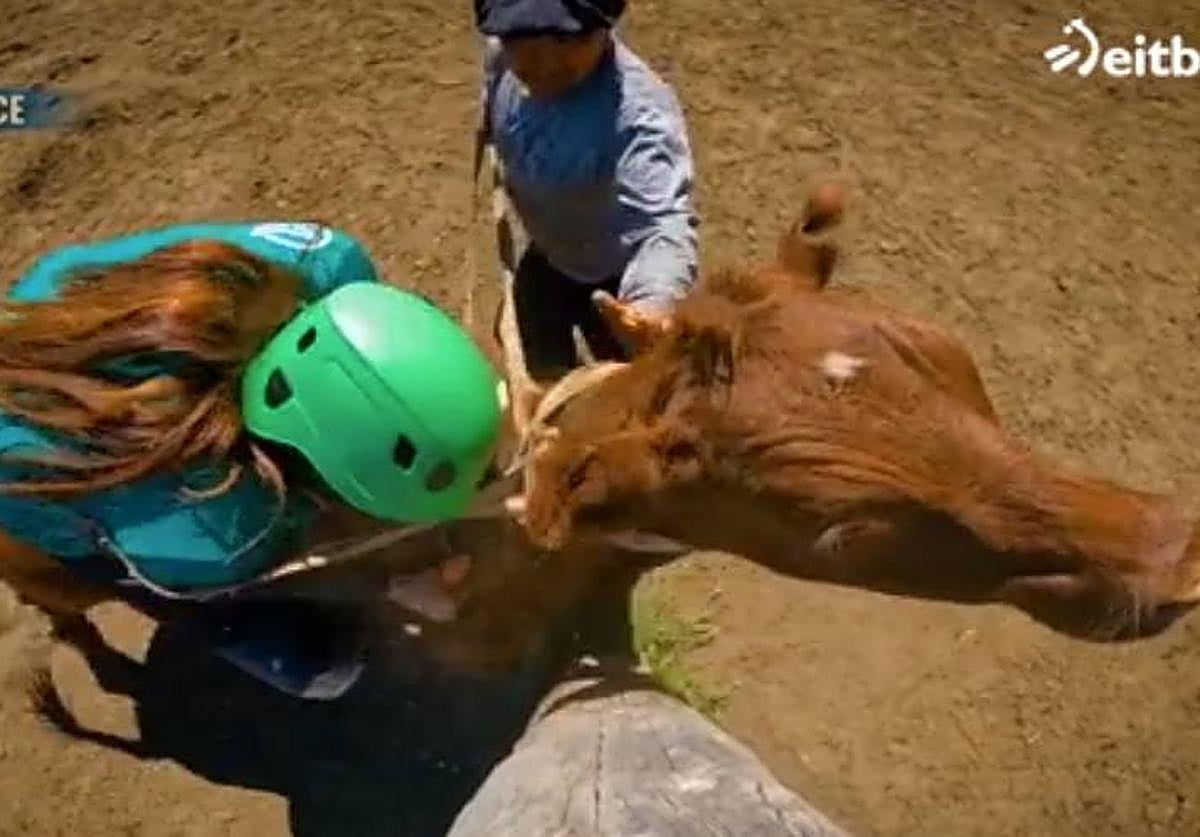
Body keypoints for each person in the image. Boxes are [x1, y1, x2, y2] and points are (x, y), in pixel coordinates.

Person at [0, 221, 504, 593]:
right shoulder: (215, 529)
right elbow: (206, 569)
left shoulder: (326, 262)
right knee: (290, 645)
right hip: (26, 477)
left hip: (56, 297)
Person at [474, 0, 700, 381]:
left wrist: (650, 307)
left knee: (628, 407)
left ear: (603, 30)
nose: (544, 64)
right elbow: (495, 88)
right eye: (522, 38)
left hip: (617, 289)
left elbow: (661, 225)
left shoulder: (638, 116)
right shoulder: (501, 58)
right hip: (549, 259)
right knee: (542, 383)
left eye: (566, 39)